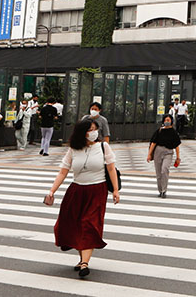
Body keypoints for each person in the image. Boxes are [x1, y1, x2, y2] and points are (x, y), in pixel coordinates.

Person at [44, 119, 120, 279]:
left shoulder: (103, 147)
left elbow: (111, 168)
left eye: (95, 130)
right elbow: (63, 172)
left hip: (97, 190)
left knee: (89, 223)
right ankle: (82, 259)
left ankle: (85, 263)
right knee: (75, 224)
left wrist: (115, 190)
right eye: (90, 130)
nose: (94, 133)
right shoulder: (73, 149)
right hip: (77, 190)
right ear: (82, 132)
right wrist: (52, 190)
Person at [146, 114, 181, 198]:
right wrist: (149, 154)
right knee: (158, 173)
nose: (167, 122)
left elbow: (177, 145)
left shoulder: (174, 132)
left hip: (168, 152)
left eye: (168, 120)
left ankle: (164, 190)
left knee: (164, 170)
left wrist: (178, 157)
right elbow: (153, 143)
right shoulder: (159, 131)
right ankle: (160, 190)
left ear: (171, 121)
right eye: (165, 120)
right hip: (158, 151)